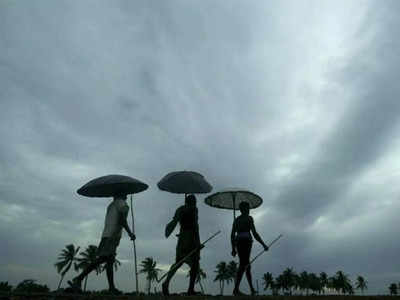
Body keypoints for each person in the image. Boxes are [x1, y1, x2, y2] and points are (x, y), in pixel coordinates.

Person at [68, 192, 135, 294]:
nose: (126, 195)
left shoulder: (111, 205)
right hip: (112, 236)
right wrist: (130, 234)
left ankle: (111, 288)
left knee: (109, 261)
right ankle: (79, 278)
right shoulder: (123, 204)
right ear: (123, 194)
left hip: (106, 235)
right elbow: (122, 221)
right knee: (103, 259)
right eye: (125, 193)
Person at [162, 194, 202, 296]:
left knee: (179, 262)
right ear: (192, 202)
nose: (195, 204)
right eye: (194, 202)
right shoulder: (193, 210)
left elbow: (176, 222)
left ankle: (167, 283)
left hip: (183, 239)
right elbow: (195, 227)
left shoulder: (181, 209)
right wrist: (198, 243)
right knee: (193, 264)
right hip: (189, 240)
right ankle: (190, 290)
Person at [231, 201, 268, 296]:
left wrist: (233, 248)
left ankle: (251, 289)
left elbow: (232, 235)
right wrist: (263, 244)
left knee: (246, 265)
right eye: (247, 208)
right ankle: (236, 289)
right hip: (245, 242)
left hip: (239, 242)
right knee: (244, 265)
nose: (249, 210)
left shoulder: (236, 220)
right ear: (243, 209)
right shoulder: (248, 218)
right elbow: (254, 233)